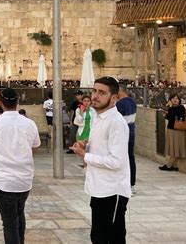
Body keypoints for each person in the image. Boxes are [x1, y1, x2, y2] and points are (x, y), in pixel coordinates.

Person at [70, 76, 131, 244]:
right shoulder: (97, 117)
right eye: (94, 91)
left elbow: (117, 161)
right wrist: (85, 148)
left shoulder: (116, 123)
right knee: (98, 237)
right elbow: (102, 149)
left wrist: (86, 156)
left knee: (111, 238)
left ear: (113, 98)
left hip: (112, 190)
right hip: (98, 188)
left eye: (101, 93)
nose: (95, 96)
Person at [0, 88, 40, 244]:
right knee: (19, 214)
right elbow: (35, 147)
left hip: (3, 181)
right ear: (17, 102)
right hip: (25, 180)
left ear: (0, 102)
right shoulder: (29, 123)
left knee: (10, 222)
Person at [116, 84, 138, 192]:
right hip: (131, 133)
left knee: (123, 159)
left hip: (122, 135)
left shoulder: (119, 104)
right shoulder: (132, 102)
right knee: (130, 157)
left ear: (119, 91)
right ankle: (131, 183)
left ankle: (125, 184)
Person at [159, 94, 186, 171]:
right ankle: (173, 166)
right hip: (171, 129)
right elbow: (171, 118)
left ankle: (168, 166)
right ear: (170, 100)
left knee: (176, 148)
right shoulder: (172, 109)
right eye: (173, 98)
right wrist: (165, 115)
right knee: (173, 148)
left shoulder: (181, 108)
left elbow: (176, 116)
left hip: (177, 130)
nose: (175, 100)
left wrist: (170, 108)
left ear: (179, 100)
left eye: (177, 98)